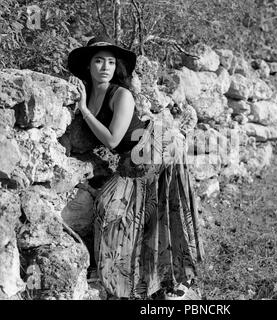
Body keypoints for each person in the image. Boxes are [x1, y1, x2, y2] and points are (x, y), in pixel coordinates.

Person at [67, 36, 204, 300]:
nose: (105, 67)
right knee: (142, 213)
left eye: (110, 61)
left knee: (124, 206)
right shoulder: (89, 91)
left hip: (155, 147)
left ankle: (152, 279)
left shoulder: (121, 94)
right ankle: (145, 279)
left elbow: (112, 140)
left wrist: (84, 111)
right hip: (135, 156)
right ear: (88, 66)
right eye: (98, 61)